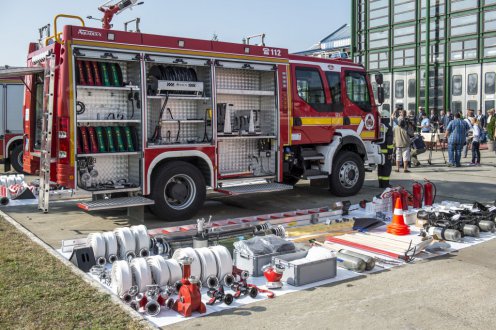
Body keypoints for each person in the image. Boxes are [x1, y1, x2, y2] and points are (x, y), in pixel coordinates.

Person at [377, 110, 394, 188]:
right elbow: (389, 141)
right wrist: (390, 152)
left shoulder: (378, 126)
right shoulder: (388, 127)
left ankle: (380, 183)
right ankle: (385, 184)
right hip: (386, 152)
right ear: (388, 118)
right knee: (387, 168)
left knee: (380, 167)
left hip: (378, 151)